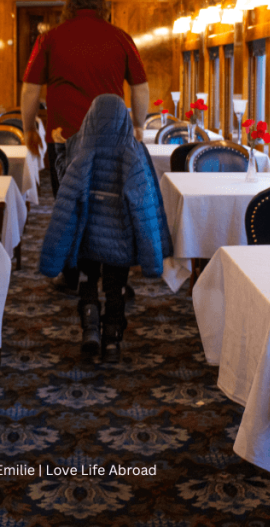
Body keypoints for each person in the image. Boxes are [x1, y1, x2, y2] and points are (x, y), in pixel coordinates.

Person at [20, 0, 151, 292]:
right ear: (102, 7)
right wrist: (139, 126)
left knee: (70, 204)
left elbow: (30, 89)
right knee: (111, 205)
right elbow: (141, 88)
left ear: (70, 7)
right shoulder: (121, 38)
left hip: (64, 136)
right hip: (112, 138)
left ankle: (71, 272)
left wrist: (28, 129)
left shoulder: (49, 39)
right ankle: (113, 275)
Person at [38, 94, 172, 362]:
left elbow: (66, 181)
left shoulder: (79, 144)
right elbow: (145, 202)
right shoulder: (133, 151)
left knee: (88, 281)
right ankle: (112, 339)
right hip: (119, 240)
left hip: (86, 236)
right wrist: (152, 255)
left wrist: (60, 150)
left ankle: (90, 331)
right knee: (115, 286)